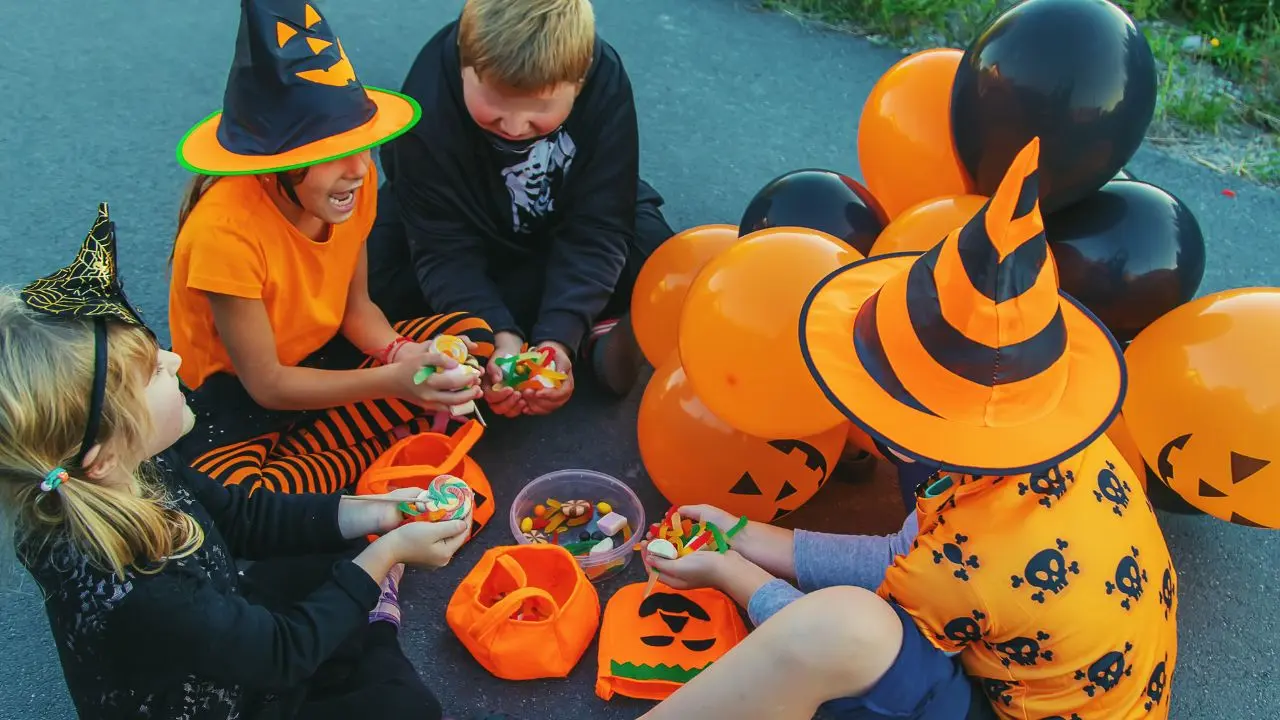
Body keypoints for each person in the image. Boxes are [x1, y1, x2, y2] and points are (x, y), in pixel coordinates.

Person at [635, 139, 1178, 719]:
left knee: (845, 629)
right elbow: (909, 552)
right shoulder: (1055, 450)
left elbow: (830, 647)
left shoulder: (965, 565)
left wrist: (730, 571)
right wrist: (745, 534)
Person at [1, 205, 470, 720]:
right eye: (155, 372)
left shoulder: (132, 465)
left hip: (223, 635)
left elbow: (246, 516)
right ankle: (374, 628)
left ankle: (360, 622)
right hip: (227, 699)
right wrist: (386, 557)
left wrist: (378, 512)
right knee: (403, 707)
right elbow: (279, 657)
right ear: (102, 456)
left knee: (336, 547)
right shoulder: (142, 593)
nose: (175, 360)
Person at [169, 0, 494, 495]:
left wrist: (403, 353)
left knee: (470, 337)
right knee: (248, 492)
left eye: (361, 145)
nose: (362, 170)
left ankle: (348, 460)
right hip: (238, 401)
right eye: (334, 155)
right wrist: (395, 383)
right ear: (273, 162)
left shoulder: (350, 190)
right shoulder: (224, 234)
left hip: (327, 357)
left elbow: (356, 310)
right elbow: (267, 385)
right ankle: (372, 450)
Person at [366, 0, 674, 416]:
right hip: (464, 229)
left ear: (579, 81)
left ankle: (571, 326)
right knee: (371, 276)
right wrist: (500, 339)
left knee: (658, 250)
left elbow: (599, 226)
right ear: (464, 65)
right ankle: (593, 319)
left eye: (541, 109)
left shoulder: (606, 80)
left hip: (561, 220)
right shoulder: (427, 102)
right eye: (495, 105)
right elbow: (442, 247)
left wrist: (556, 339)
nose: (514, 127)